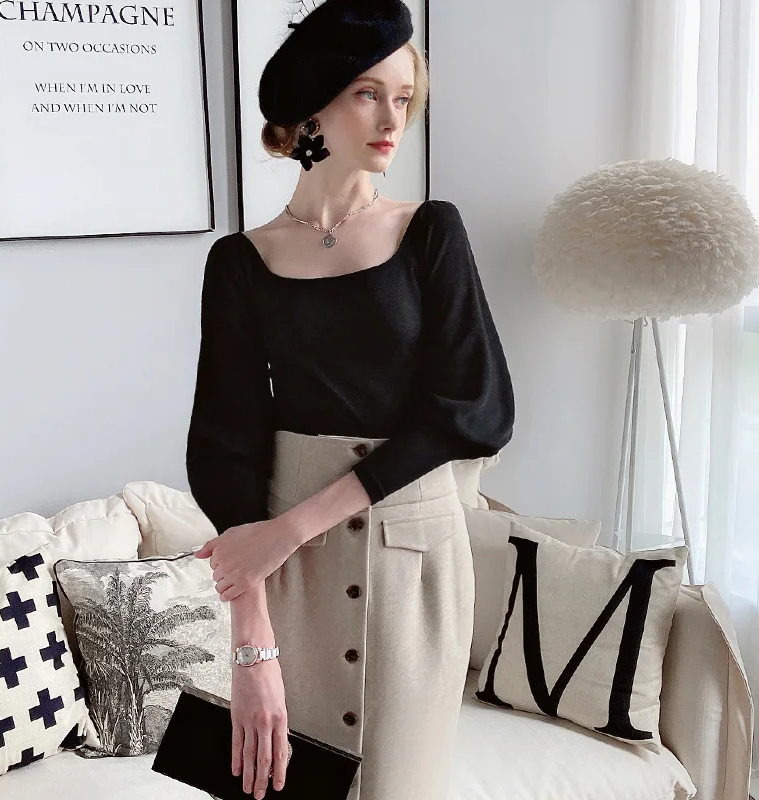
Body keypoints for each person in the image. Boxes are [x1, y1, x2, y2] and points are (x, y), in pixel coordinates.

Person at [185, 1, 515, 798]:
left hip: (413, 566)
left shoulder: (431, 231)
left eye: (404, 97)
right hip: (289, 577)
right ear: (312, 104)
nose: (393, 119)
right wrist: (251, 645)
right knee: (273, 783)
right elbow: (227, 453)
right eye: (369, 94)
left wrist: (293, 526)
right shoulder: (240, 262)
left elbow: (475, 410)